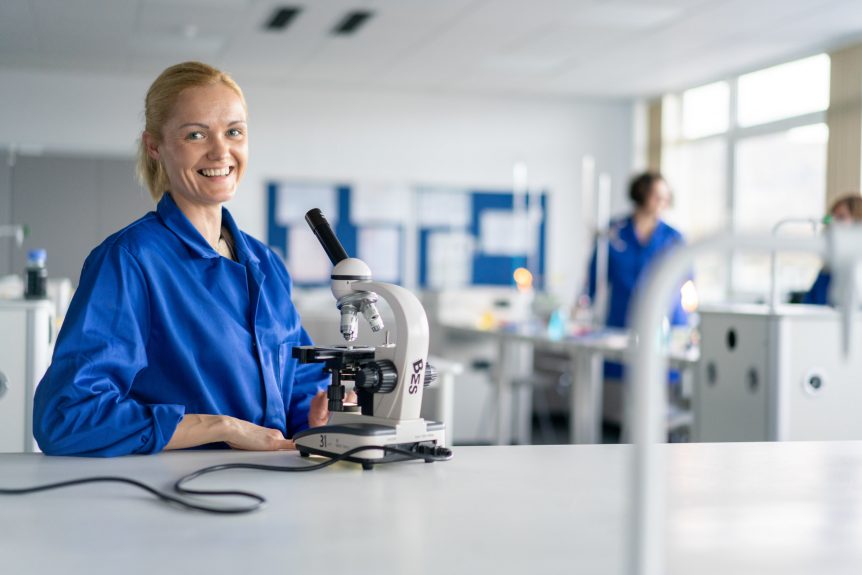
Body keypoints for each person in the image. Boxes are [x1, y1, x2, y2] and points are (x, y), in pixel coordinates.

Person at [33, 62, 333, 456]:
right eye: (196, 134)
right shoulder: (130, 261)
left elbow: (298, 388)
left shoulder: (266, 264)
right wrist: (219, 427)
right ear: (154, 146)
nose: (221, 151)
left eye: (234, 132)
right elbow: (68, 416)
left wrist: (321, 415)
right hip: (179, 501)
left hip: (273, 495)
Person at [802, 193, 862, 305]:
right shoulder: (828, 271)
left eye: (841, 217)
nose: (833, 224)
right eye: (832, 218)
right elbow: (809, 306)